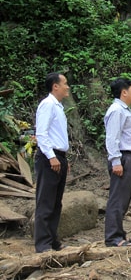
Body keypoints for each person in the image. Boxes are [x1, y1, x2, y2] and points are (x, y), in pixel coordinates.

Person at [34, 72, 71, 253]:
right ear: (55, 86)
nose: (67, 87)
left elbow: (58, 135)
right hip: (49, 157)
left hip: (59, 156)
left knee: (56, 202)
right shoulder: (47, 105)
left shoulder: (58, 107)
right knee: (46, 201)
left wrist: (63, 159)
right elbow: (42, 133)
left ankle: (52, 240)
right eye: (64, 83)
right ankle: (42, 244)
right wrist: (51, 156)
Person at [104, 78, 131, 247]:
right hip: (123, 157)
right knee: (117, 198)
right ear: (124, 92)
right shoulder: (117, 110)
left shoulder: (123, 110)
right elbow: (112, 137)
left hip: (128, 158)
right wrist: (115, 161)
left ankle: (119, 234)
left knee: (123, 198)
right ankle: (113, 237)